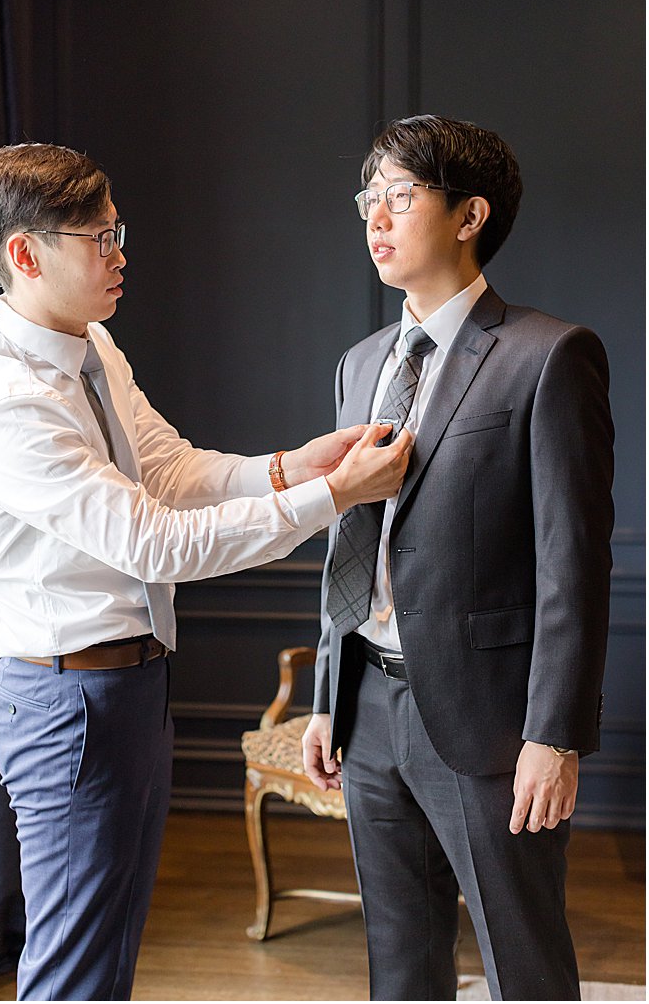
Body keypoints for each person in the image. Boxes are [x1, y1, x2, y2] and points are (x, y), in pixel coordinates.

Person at [0, 143, 413, 1001]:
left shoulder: (91, 347)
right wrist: (336, 498)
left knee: (108, 950)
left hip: (127, 689)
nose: (121, 253)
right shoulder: (11, 405)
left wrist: (294, 467)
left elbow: (167, 468)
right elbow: (156, 542)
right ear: (23, 253)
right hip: (68, 705)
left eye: (119, 229)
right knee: (76, 967)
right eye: (100, 236)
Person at [302, 115, 613, 1000]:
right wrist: (329, 695)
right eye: (369, 199)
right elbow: (349, 539)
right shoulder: (359, 365)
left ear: (470, 214)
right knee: (398, 961)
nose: (376, 218)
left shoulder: (548, 356)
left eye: (401, 196)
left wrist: (553, 734)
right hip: (367, 705)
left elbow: (574, 565)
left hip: (490, 722)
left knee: (525, 961)